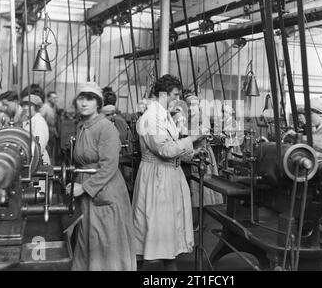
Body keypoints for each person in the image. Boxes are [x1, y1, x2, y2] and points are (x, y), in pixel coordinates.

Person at [132, 74, 206, 270]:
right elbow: (165, 150)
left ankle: (167, 267)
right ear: (162, 94)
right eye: (175, 95)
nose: (177, 100)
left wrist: (192, 151)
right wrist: (192, 137)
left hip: (167, 175)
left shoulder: (164, 116)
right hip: (157, 178)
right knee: (153, 229)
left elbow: (172, 148)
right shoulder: (151, 117)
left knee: (165, 233)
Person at [66, 82, 136, 271]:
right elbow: (80, 161)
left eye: (89, 99)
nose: (84, 103)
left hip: (106, 191)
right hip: (87, 190)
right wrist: (74, 183)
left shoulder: (106, 128)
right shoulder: (82, 127)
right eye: (81, 98)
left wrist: (84, 187)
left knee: (104, 242)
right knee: (87, 240)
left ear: (98, 103)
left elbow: (109, 166)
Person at [183, 93, 224, 228]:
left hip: (201, 154)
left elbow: (201, 136)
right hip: (188, 156)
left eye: (192, 104)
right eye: (188, 104)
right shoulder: (185, 119)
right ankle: (192, 220)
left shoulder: (202, 119)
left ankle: (200, 222)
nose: (190, 107)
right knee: (191, 190)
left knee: (202, 189)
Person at [21, 95, 51, 165]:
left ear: (36, 107)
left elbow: (39, 146)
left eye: (29, 105)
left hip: (38, 162)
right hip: (30, 160)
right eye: (23, 105)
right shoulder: (27, 122)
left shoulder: (39, 122)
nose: (25, 108)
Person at [40, 91, 60, 164]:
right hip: (46, 132)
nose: (55, 99)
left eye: (56, 98)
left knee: (52, 152)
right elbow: (40, 119)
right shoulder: (45, 107)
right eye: (53, 98)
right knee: (46, 151)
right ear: (48, 98)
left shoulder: (54, 107)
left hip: (52, 132)